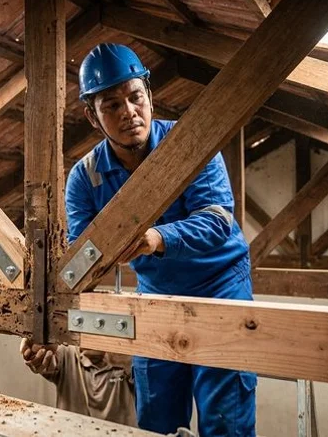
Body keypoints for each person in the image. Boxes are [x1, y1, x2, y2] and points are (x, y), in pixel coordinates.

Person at [67, 43, 257, 436]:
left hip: (220, 287)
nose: (129, 113)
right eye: (111, 105)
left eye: (135, 97)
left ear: (149, 95)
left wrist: (156, 237)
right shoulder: (84, 178)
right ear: (92, 116)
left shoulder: (189, 146)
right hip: (156, 295)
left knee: (225, 418)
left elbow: (218, 220)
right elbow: (79, 257)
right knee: (155, 418)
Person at [20, 338, 136, 427]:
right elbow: (50, 361)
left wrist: (128, 362)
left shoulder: (125, 360)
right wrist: (39, 346)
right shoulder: (67, 353)